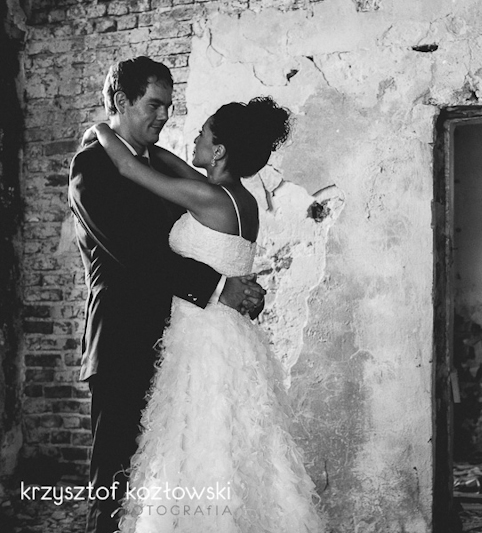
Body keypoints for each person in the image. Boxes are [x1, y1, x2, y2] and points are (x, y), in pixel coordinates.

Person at [88, 95, 324, 532]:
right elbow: (166, 159)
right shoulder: (239, 199)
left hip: (200, 339)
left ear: (218, 151)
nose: (194, 137)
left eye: (203, 133)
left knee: (198, 445)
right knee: (231, 448)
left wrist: (101, 128)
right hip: (229, 334)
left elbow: (129, 168)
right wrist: (145, 141)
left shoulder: (206, 197)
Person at [68, 56, 267, 533]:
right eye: (154, 105)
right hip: (122, 341)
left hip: (179, 345)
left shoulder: (155, 162)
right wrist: (221, 286)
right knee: (114, 484)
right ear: (122, 101)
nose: (165, 116)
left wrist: (236, 280)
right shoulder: (92, 164)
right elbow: (134, 254)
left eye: (169, 106)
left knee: (164, 482)